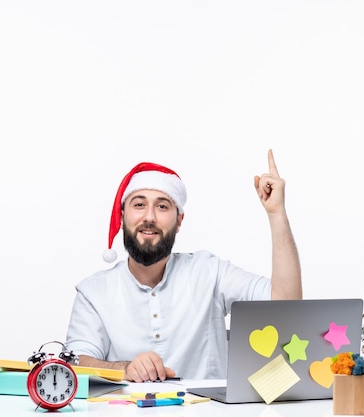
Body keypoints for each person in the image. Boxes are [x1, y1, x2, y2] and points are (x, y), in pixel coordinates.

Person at [65, 149, 302, 382]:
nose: (149, 217)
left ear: (179, 221)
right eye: (139, 205)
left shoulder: (209, 272)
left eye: (162, 206)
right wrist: (125, 369)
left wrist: (277, 213)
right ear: (122, 215)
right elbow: (74, 364)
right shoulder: (93, 292)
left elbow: (286, 304)